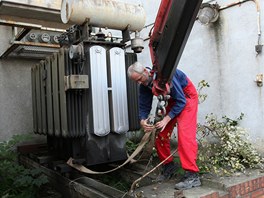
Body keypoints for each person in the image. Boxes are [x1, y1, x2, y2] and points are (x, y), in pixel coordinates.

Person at [127, 62, 201, 190]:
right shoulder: (145, 85)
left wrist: (167, 119)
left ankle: (192, 175)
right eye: (136, 81)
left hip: (186, 98)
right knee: (161, 134)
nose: (140, 83)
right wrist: (142, 120)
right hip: (173, 101)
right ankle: (168, 167)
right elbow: (144, 105)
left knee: (185, 137)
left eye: (139, 79)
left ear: (145, 71)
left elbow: (181, 100)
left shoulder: (165, 76)